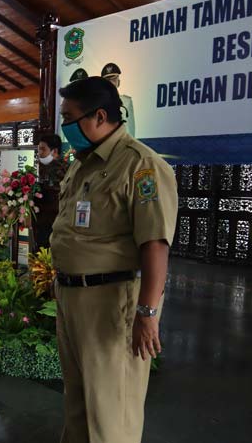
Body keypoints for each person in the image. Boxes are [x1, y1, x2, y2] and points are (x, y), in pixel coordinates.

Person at [51, 76, 177, 443]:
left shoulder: (140, 165)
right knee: (78, 404)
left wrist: (147, 314)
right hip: (73, 296)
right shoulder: (82, 163)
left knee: (110, 413)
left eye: (69, 117)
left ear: (100, 116)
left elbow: (155, 244)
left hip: (113, 300)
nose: (64, 127)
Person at [35, 134, 67, 249]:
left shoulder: (61, 168)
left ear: (55, 151)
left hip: (54, 221)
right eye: (39, 149)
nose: (40, 153)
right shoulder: (42, 167)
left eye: (43, 149)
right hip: (43, 220)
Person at [102, 62, 135, 137]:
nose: (111, 83)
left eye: (114, 79)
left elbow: (131, 128)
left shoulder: (126, 102)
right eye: (108, 81)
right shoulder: (97, 104)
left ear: (118, 82)